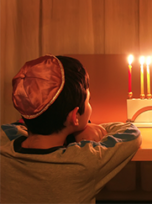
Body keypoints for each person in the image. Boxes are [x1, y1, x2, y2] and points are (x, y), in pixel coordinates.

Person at [0, 55, 142, 203]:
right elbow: (131, 134)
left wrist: (75, 126)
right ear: (75, 116)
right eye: (89, 101)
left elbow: (16, 125)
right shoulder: (84, 161)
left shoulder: (3, 144)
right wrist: (84, 127)